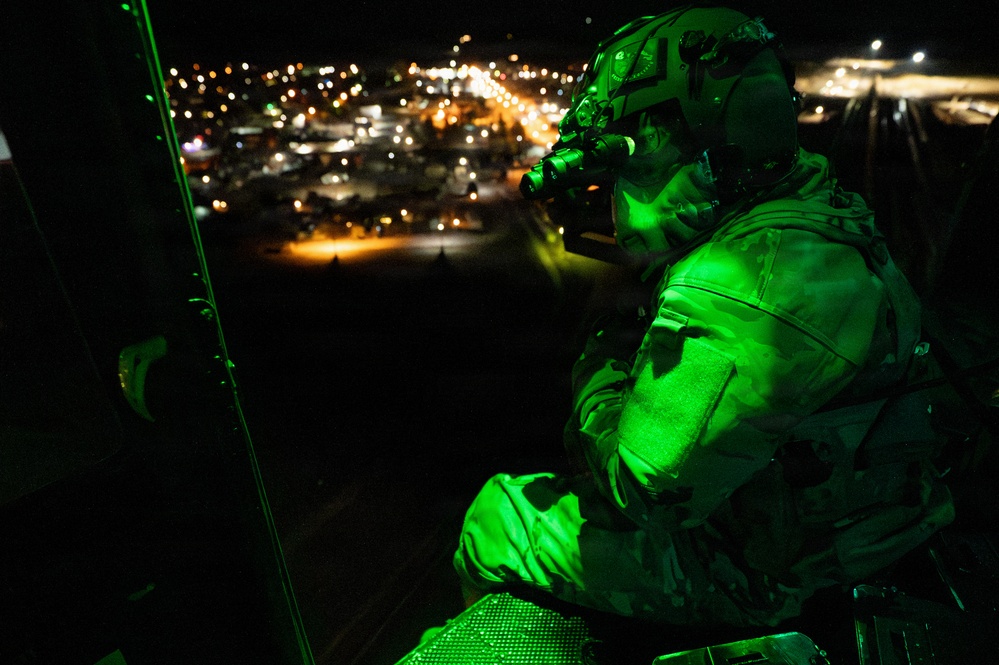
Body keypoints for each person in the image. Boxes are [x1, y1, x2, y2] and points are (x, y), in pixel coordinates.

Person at [454, 5, 955, 628]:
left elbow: (646, 491)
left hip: (790, 573)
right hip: (874, 527)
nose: (613, 194)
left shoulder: (742, 285)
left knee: (497, 516)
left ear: (677, 136)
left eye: (626, 164)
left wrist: (601, 376)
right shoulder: (812, 205)